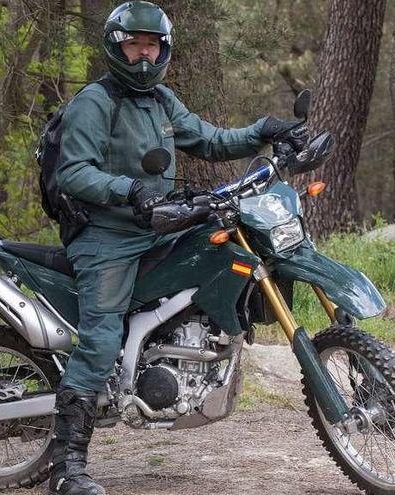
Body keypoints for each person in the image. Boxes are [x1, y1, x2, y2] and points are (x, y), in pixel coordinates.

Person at [49, 2, 306, 494]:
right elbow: (74, 172)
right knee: (101, 337)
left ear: (163, 49)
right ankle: (67, 469)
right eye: (134, 45)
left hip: (159, 226)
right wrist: (130, 190)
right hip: (106, 237)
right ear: (116, 47)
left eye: (151, 46)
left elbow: (209, 139)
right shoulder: (95, 102)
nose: (143, 56)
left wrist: (264, 131)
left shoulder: (162, 100)